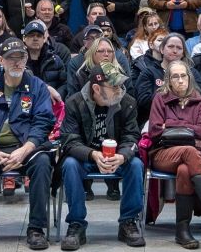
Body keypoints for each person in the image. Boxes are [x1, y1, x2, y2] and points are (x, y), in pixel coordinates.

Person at [0, 38, 56, 249]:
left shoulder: (37, 87)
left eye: (21, 58)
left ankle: (36, 229)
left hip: (28, 147)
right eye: (11, 59)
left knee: (43, 163)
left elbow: (43, 122)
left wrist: (25, 150)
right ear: (1, 60)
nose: (17, 63)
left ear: (26, 59)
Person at [59, 62, 146, 250]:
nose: (119, 90)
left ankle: (128, 222)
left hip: (117, 157)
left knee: (136, 165)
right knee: (70, 165)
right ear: (96, 88)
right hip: (87, 158)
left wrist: (123, 156)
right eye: (114, 86)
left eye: (120, 85)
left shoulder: (127, 101)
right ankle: (76, 224)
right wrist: (92, 154)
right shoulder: (75, 102)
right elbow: (69, 141)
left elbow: (133, 137)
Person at [147, 61, 201, 248]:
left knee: (185, 170)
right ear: (168, 80)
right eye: (175, 76)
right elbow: (155, 131)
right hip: (164, 153)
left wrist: (172, 126)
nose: (180, 80)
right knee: (190, 150)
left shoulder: (200, 102)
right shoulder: (160, 99)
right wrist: (188, 133)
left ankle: (182, 230)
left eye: (183, 76)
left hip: (196, 156)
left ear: (189, 77)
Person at [134, 33, 201, 123]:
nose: (175, 51)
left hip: (188, 120)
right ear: (162, 49)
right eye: (170, 46)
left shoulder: (192, 73)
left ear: (183, 53)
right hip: (156, 121)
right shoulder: (149, 72)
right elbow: (143, 101)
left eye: (179, 48)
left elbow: (200, 96)